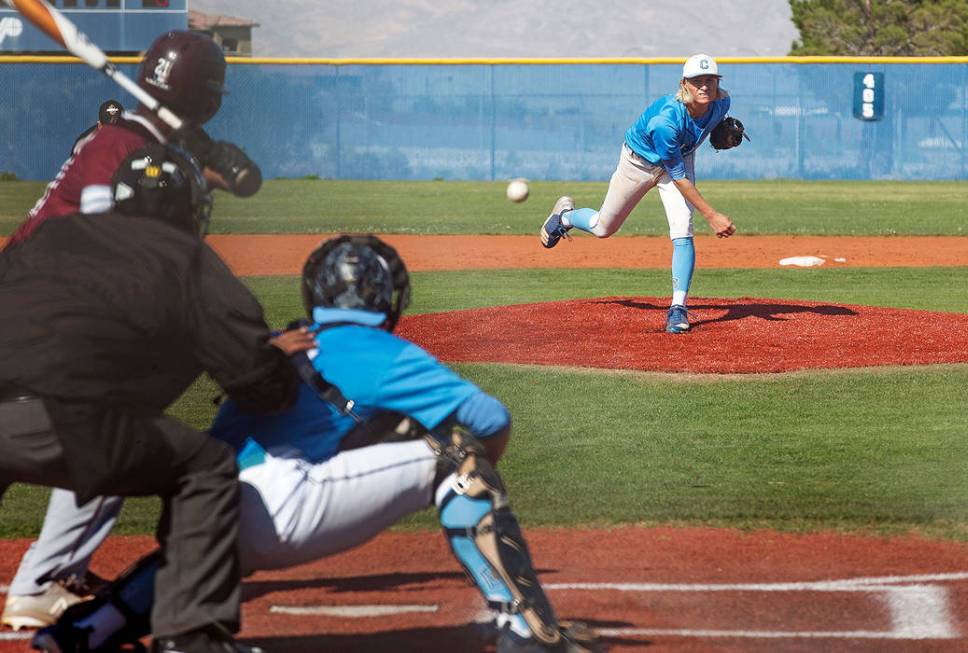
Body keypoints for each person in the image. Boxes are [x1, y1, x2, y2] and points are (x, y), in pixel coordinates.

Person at [29, 235, 601, 653]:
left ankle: (85, 630)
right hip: (285, 509)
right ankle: (527, 630)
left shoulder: (280, 345)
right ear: (389, 297)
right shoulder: (384, 350)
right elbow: (490, 419)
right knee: (457, 452)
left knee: (204, 539)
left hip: (203, 518)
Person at [0, 144, 312, 653]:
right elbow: (256, 384)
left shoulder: (53, 236)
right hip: (64, 419)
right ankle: (191, 635)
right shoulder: (186, 255)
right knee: (206, 467)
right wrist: (270, 355)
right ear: (191, 207)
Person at [1, 29, 263, 632]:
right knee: (115, 419)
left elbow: (243, 181)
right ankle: (41, 581)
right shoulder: (122, 145)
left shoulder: (134, 141)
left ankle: (54, 573)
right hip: (44, 315)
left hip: (27, 309)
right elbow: (116, 240)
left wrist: (209, 159)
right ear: (211, 96)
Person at [539, 53, 744, 334]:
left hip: (679, 158)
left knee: (682, 228)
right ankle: (566, 217)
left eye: (710, 80)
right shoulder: (666, 121)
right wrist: (712, 215)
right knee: (603, 227)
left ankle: (678, 308)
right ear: (684, 83)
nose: (705, 86)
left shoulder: (722, 102)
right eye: (698, 81)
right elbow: (679, 178)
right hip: (639, 163)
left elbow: (702, 131)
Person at [4, 29, 259, 249]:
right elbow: (97, 227)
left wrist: (225, 162)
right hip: (33, 276)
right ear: (209, 104)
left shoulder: (171, 143)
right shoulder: (118, 139)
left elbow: (246, 183)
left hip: (67, 272)